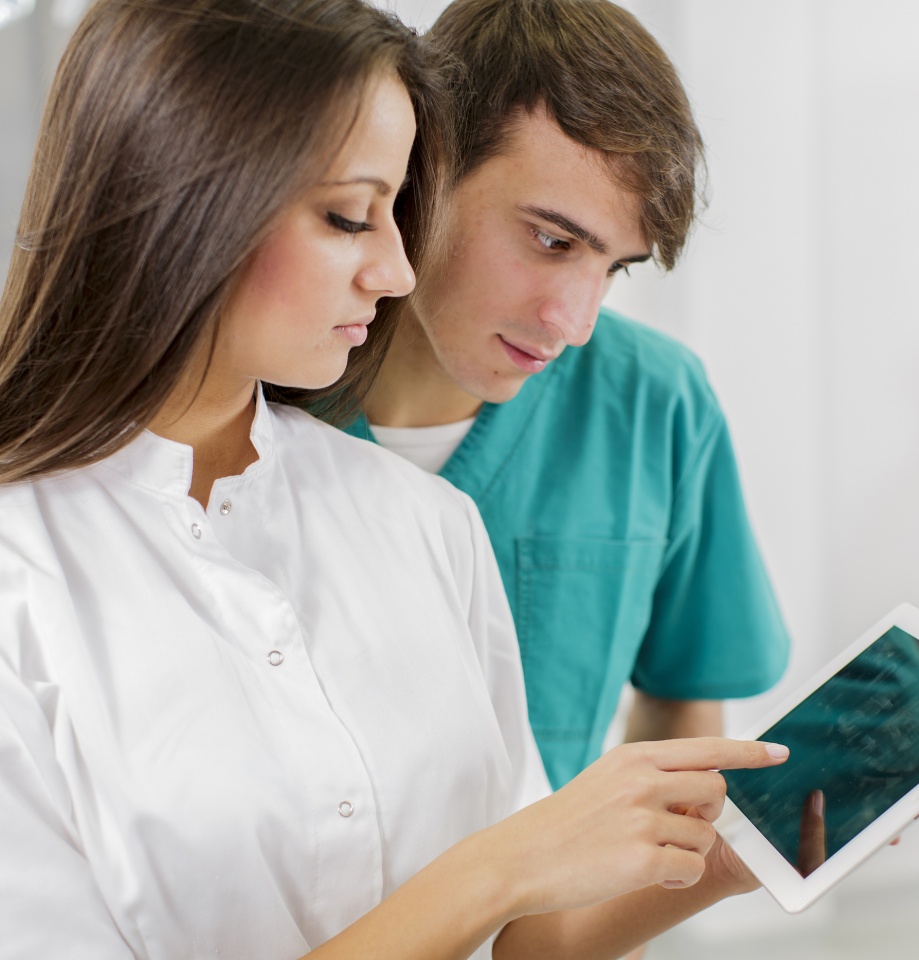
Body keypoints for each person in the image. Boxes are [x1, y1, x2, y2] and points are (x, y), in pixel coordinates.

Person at [0, 0, 788, 957]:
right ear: (187, 194)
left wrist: (739, 852)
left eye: (391, 213)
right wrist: (495, 870)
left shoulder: (425, 523)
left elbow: (528, 932)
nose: (396, 269)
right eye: (349, 216)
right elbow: (510, 873)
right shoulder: (29, 569)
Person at [344, 0, 791, 790]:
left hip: (550, 914)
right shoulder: (253, 394)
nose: (576, 324)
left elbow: (680, 717)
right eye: (552, 241)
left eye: (615, 267)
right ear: (425, 166)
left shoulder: (654, 401)